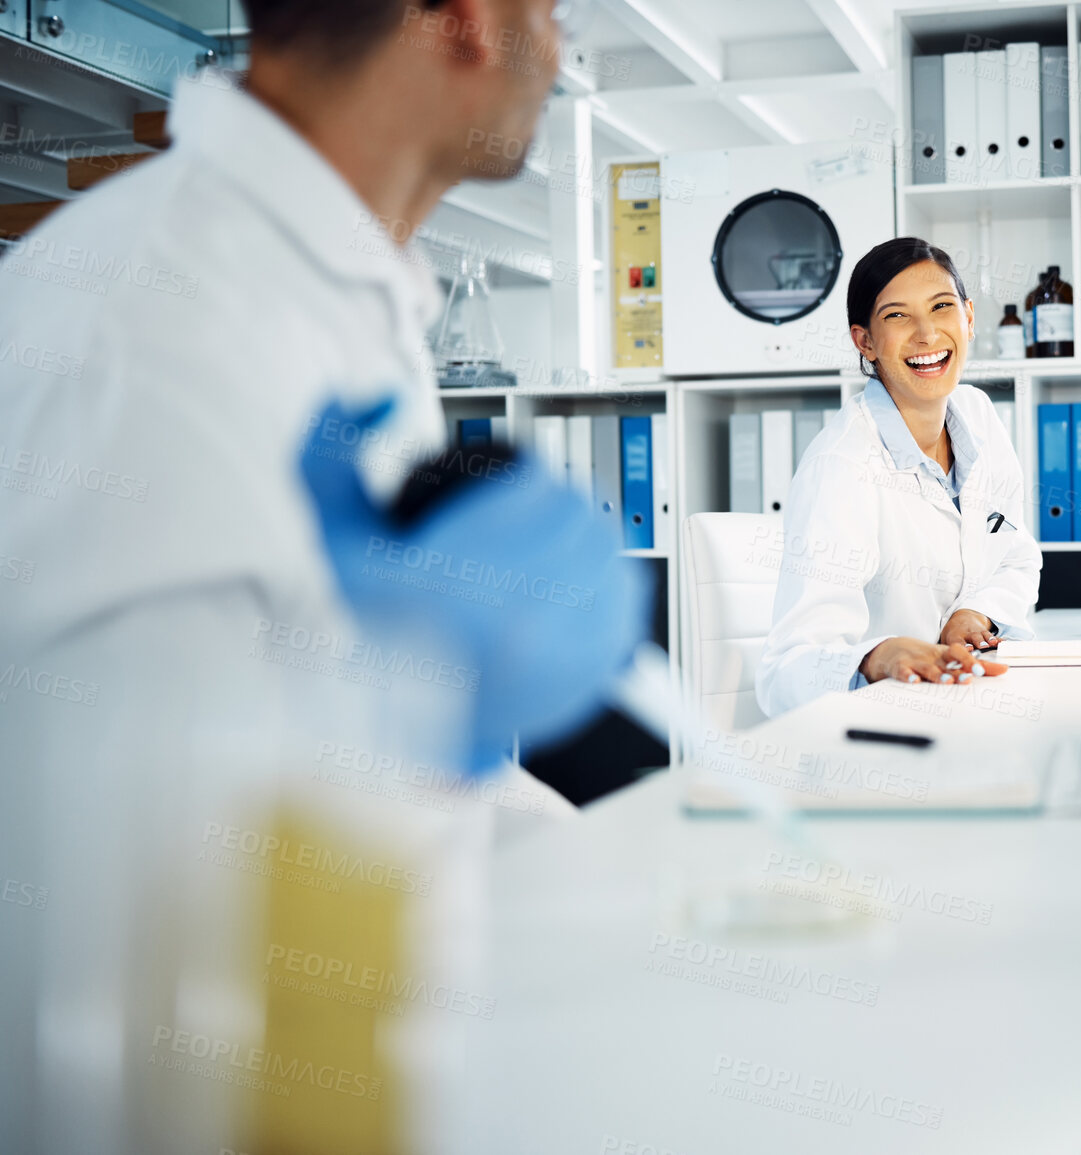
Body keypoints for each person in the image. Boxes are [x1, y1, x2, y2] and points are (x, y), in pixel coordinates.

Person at [0, 3, 645, 1151]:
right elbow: (107, 993)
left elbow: (387, 793)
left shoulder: (337, 287)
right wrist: (399, 694)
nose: (563, 44)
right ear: (462, 18)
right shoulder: (143, 330)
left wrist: (633, 871)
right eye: (548, 9)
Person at [756, 237, 1042, 717]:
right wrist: (876, 656)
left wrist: (972, 614)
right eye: (896, 316)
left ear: (969, 318)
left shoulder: (978, 415)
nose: (927, 334)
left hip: (968, 703)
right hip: (882, 736)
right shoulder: (842, 466)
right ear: (864, 341)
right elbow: (784, 672)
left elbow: (1017, 560)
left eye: (942, 307)